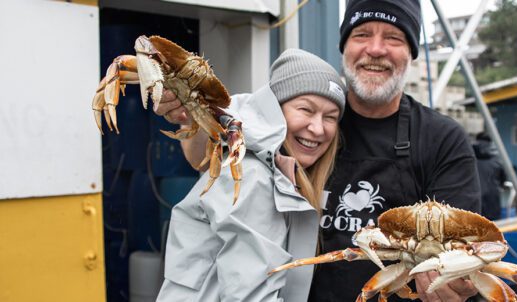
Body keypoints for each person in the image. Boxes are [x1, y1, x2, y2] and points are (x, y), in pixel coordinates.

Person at [156, 0, 482, 300]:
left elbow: (464, 249)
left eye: (394, 38)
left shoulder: (442, 140)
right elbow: (211, 154)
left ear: (412, 52)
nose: (376, 48)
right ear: (344, 48)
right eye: (362, 34)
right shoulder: (307, 117)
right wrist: (193, 117)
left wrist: (459, 282)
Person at [155, 49, 346, 302]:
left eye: (330, 117)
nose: (318, 128)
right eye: (305, 110)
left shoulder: (276, 172)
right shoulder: (252, 174)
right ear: (275, 110)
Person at [473, 132, 506, 220]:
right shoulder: (497, 160)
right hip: (492, 201)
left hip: (474, 201)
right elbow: (503, 180)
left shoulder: (470, 159)